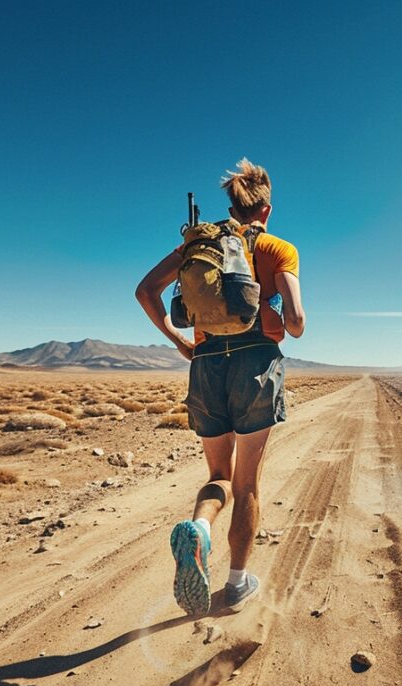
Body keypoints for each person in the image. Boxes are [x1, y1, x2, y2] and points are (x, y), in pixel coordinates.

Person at [135, 158, 305, 616]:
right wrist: (272, 309)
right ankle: (235, 584)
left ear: (230, 203)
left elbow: (145, 291)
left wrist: (179, 343)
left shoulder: (198, 245)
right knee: (247, 482)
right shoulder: (277, 249)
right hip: (256, 364)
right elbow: (296, 323)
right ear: (265, 209)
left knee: (219, 477)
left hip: (206, 365)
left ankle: (200, 531)